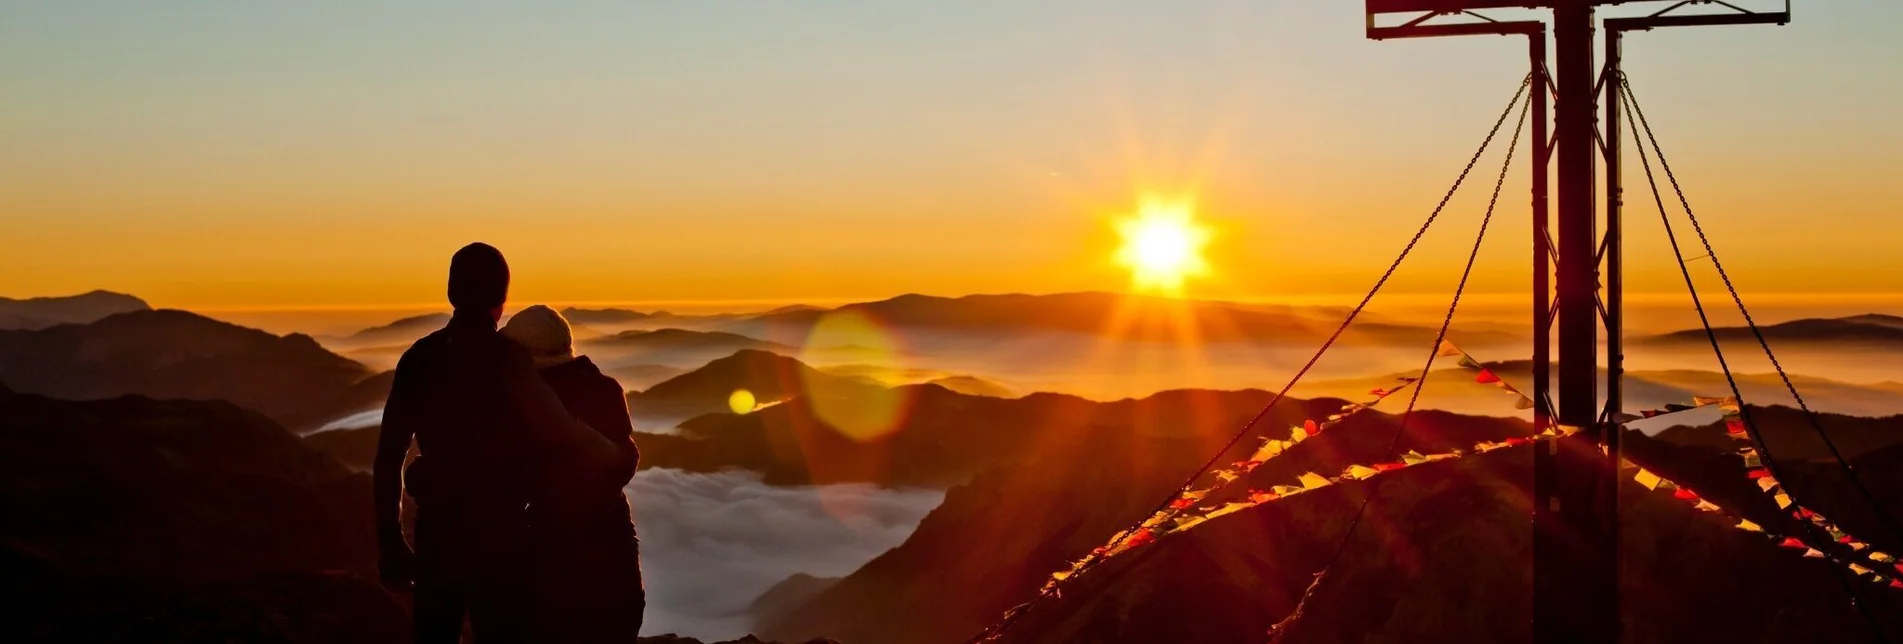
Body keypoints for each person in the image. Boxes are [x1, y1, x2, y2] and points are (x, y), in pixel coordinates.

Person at [374, 243, 620, 644]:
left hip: (438, 535)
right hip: (503, 537)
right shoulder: (510, 361)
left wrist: (389, 540)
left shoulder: (419, 359)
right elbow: (560, 429)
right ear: (501, 299)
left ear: (451, 293)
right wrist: (616, 455)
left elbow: (389, 456)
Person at [499, 305, 644, 642]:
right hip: (614, 540)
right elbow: (624, 462)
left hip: (554, 549)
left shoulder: (527, 404)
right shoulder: (606, 390)